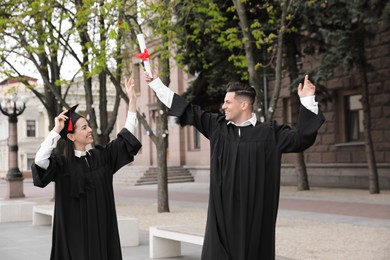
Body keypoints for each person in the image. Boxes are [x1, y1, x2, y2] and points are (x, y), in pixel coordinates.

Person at [144, 71, 325, 259]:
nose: (223, 107)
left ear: (244, 104)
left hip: (255, 218)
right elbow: (187, 109)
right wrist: (157, 84)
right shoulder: (217, 128)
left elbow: (301, 139)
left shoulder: (270, 134)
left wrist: (307, 101)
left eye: (228, 102)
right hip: (221, 219)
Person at [31, 78, 142, 260]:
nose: (90, 130)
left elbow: (126, 136)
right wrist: (56, 129)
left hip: (102, 234)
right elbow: (40, 160)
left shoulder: (101, 157)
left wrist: (132, 101)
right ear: (72, 136)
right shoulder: (61, 165)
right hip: (76, 240)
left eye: (88, 125)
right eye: (84, 128)